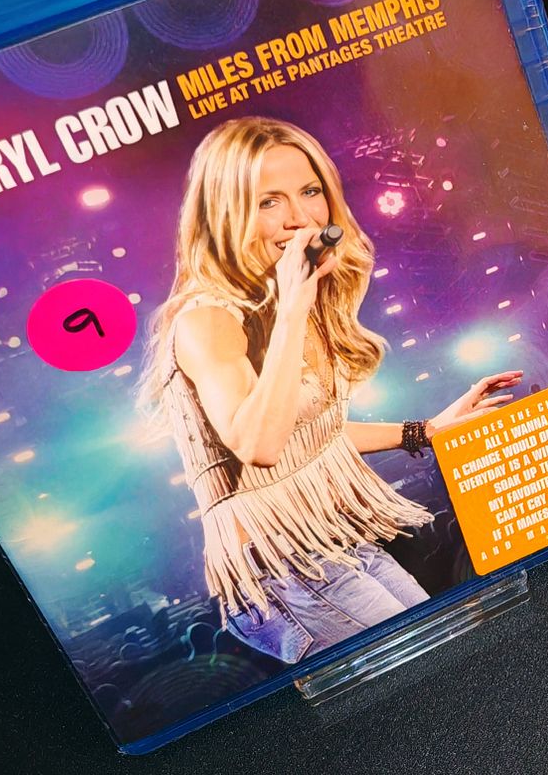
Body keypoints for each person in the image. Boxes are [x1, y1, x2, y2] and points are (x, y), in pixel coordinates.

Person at [140, 116, 519, 664]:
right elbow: (259, 444)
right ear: (226, 211)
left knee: (460, 648)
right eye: (268, 201)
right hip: (279, 569)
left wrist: (427, 430)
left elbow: (311, 437)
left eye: (310, 192)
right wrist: (295, 305)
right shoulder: (207, 318)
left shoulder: (285, 300)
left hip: (331, 542)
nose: (299, 218)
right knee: (442, 670)